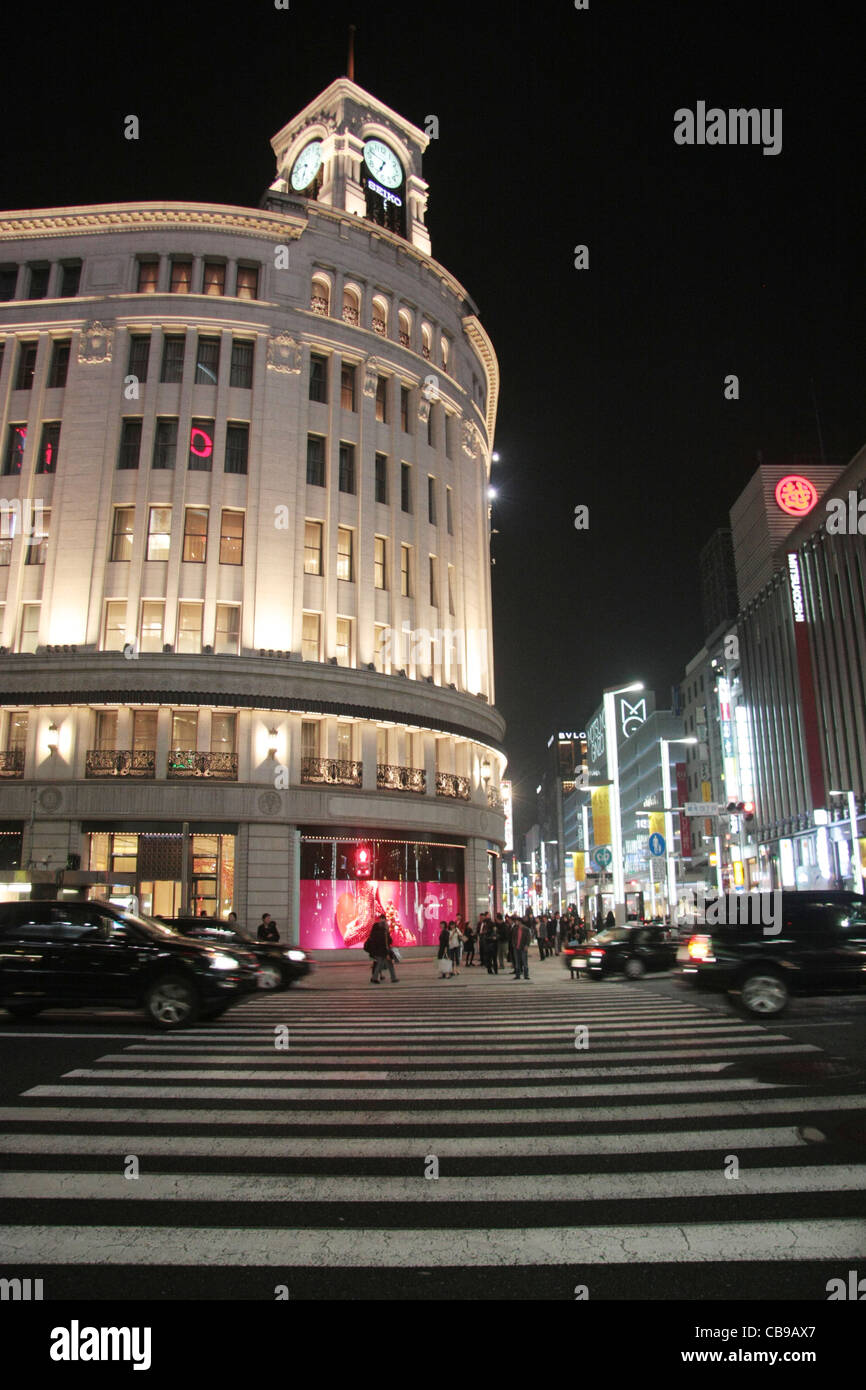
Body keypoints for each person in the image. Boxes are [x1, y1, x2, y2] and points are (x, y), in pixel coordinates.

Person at [366, 914, 397, 983]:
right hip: (384, 951)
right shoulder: (384, 933)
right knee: (387, 964)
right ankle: (392, 978)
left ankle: (375, 978)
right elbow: (387, 942)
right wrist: (387, 953)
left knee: (379, 964)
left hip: (377, 951)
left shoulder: (375, 934)